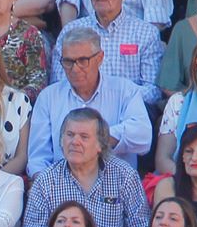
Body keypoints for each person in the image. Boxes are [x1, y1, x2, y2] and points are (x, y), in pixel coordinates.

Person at [20, 108, 150, 227]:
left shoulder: (124, 176)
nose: (75, 141)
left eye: (84, 137)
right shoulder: (46, 181)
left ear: (100, 145)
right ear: (61, 140)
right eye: (70, 134)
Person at [28, 25, 150, 174]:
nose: (75, 69)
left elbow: (143, 136)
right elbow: (38, 159)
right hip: (62, 189)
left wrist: (97, 138)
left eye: (82, 60)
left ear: (99, 58)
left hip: (115, 187)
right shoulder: (48, 97)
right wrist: (48, 188)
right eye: (68, 62)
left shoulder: (125, 90)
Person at [51, 0, 163, 105]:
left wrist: (111, 97)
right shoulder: (71, 32)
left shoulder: (146, 34)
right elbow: (58, 86)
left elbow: (153, 91)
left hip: (128, 114)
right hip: (81, 113)